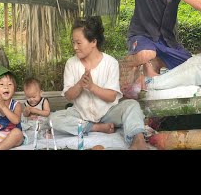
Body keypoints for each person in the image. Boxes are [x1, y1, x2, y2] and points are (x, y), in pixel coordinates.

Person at [50, 16, 148, 150]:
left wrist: (91, 87)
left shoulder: (110, 63)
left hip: (108, 114)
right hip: (81, 115)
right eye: (73, 42)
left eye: (79, 43)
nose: (75, 47)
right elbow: (68, 96)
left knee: (131, 105)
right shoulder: (71, 64)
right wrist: (79, 84)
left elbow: (112, 96)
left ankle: (138, 140)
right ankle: (95, 127)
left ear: (93, 42)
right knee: (54, 119)